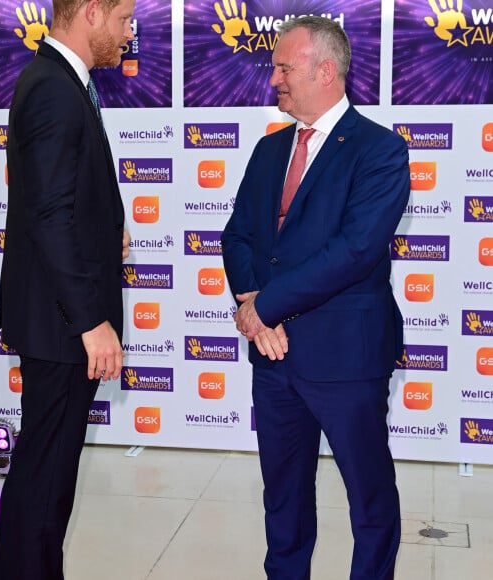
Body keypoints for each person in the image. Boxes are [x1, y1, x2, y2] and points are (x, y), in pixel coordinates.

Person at [221, 16, 410, 580]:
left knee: (369, 501)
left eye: (285, 67)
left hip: (346, 358)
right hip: (273, 357)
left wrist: (265, 307)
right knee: (282, 500)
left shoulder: (380, 151)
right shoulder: (268, 149)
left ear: (326, 70)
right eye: (275, 66)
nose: (274, 77)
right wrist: (256, 308)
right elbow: (239, 236)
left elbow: (354, 251)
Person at [0, 0, 135, 578]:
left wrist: (106, 228)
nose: (130, 33)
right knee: (43, 482)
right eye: (125, 20)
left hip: (57, 319)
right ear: (92, 13)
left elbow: (60, 202)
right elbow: (49, 216)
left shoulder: (58, 80)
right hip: (61, 325)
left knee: (47, 481)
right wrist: (90, 322)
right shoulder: (52, 85)